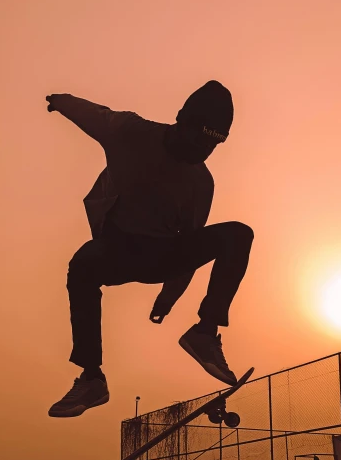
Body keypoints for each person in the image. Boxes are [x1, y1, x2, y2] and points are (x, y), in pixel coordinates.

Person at [46, 81, 253, 418]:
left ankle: (205, 332)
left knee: (238, 235)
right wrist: (61, 101)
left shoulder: (201, 183)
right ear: (181, 121)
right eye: (199, 138)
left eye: (213, 145)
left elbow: (190, 245)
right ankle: (91, 377)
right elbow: (94, 115)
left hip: (161, 255)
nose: (202, 151)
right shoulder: (130, 133)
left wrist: (167, 298)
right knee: (83, 263)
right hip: (116, 250)